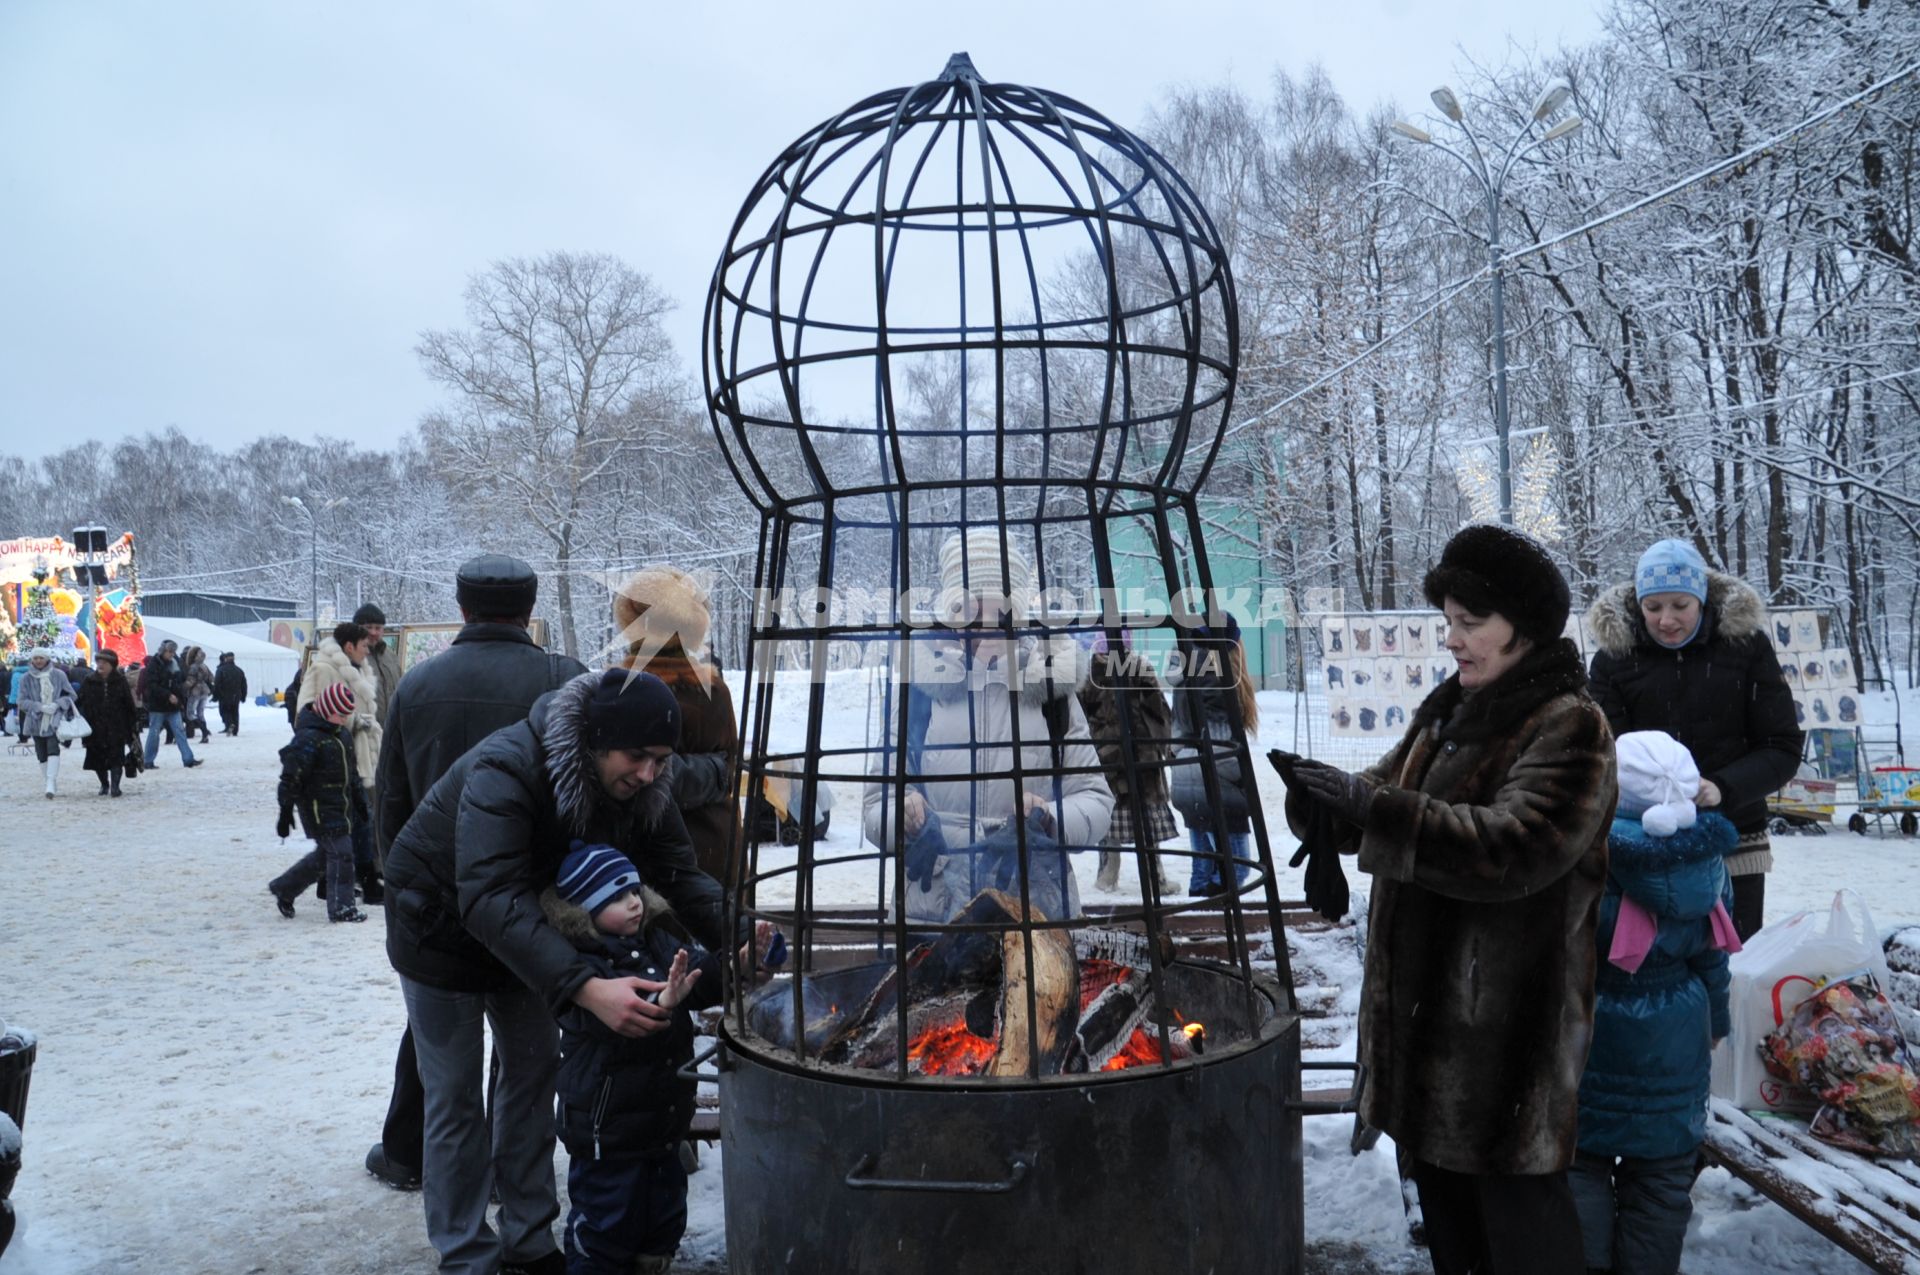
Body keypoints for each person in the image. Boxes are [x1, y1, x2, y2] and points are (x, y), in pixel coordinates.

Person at [1276, 523, 1618, 1275]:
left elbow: (1517, 844)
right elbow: (1390, 789)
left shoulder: (1571, 723)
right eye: (1448, 622)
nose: (1454, 640)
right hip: (1428, 1034)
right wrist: (1324, 800)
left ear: (1522, 628)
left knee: (1524, 1242)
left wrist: (1375, 810)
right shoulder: (1451, 711)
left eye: (1472, 624)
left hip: (1506, 1045)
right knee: (1455, 1241)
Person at [381, 668, 732, 1275]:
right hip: (437, 930)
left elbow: (678, 873)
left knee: (531, 1078)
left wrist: (741, 931)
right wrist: (586, 986)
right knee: (456, 1097)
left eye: (662, 759)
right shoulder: (509, 767)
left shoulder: (643, 786)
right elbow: (487, 894)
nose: (650, 773)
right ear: (596, 740)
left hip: (530, 932)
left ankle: (529, 1237)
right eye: (638, 756)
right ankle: (467, 1253)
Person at [364, 556, 588, 1197]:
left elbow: (393, 809)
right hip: (535, 916)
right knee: (526, 1075)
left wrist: (403, 902)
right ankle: (516, 1205)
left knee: (445, 1077)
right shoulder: (566, 681)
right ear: (529, 609)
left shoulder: (417, 684)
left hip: (436, 913)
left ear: (462, 609)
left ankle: (440, 1195)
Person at [542, 842, 773, 1275]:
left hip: (663, 1116)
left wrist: (737, 965)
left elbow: (697, 979)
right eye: (613, 897)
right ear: (583, 910)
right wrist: (663, 999)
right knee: (607, 1221)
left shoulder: (654, 939)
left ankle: (651, 1258)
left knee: (663, 1208)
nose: (632, 903)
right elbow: (601, 1022)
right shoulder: (578, 963)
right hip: (606, 1128)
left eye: (633, 891)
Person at [861, 529, 1113, 923]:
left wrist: (1049, 816)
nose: (987, 623)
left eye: (1000, 610)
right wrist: (905, 815)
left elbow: (1096, 801)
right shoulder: (921, 692)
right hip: (934, 910)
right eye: (972, 609)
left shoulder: (1050, 690)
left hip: (1034, 910)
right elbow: (877, 806)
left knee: (1036, 987)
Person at [1569, 730, 1740, 1275]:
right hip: (1676, 1041)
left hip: (1591, 1033)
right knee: (1663, 1183)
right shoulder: (1709, 864)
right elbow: (1714, 959)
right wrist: (1715, 1021)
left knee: (1581, 1167)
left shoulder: (1587, 856)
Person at [1587, 538, 1803, 940]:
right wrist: (1651, 791)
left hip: (1735, 839)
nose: (1666, 619)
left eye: (1679, 606)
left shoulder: (1746, 648)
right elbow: (1606, 753)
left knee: (1731, 963)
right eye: (1653, 607)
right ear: (1638, 605)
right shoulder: (1614, 660)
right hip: (1644, 842)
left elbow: (1782, 746)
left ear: (1701, 600)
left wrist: (1723, 787)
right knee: (1649, 976)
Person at [612, 566, 740, 886]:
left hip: (646, 854)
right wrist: (714, 772)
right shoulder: (714, 692)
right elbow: (731, 769)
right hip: (716, 848)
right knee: (722, 933)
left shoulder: (617, 693)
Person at [1077, 634, 1179, 893]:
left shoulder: (1090, 673)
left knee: (1110, 813)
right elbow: (1158, 710)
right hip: (1140, 754)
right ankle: (1154, 877)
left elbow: (1079, 716)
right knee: (1145, 818)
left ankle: (1108, 874)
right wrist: (1163, 744)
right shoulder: (1137, 668)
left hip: (1106, 754)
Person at [1168, 618, 1260, 896]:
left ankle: (1201, 922)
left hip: (1186, 769)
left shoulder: (1189, 671)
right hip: (1217, 771)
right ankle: (1222, 926)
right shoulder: (1216, 674)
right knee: (1238, 867)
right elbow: (1218, 729)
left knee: (1203, 870)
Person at [268, 682, 371, 924]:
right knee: (343, 853)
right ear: (326, 710)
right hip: (317, 809)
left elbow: (352, 774)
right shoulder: (307, 739)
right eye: (341, 714)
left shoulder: (342, 735)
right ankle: (342, 908)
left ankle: (285, 888)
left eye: (347, 714)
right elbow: (290, 778)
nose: (345, 719)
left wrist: (359, 802)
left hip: (341, 807)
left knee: (326, 856)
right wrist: (285, 812)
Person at [298, 622, 383, 902]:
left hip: (358, 755)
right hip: (336, 759)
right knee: (349, 825)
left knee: (356, 821)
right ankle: (360, 881)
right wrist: (354, 721)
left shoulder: (360, 671)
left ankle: (334, 880)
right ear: (349, 647)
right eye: (363, 646)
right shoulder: (324, 669)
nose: (367, 651)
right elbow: (309, 711)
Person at [76, 648, 139, 797]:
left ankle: (115, 787)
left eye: (104, 662)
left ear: (112, 664)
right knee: (97, 759)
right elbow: (81, 701)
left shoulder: (120, 680)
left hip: (116, 726)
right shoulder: (89, 680)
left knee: (116, 757)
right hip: (94, 727)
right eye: (99, 662)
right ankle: (104, 784)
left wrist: (133, 724)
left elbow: (128, 704)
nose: (101, 665)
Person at [17, 648, 77, 798]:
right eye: (35, 658)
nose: (38, 661)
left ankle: (50, 782)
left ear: (47, 659)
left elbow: (71, 695)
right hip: (36, 719)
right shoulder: (26, 678)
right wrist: (39, 706)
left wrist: (57, 704)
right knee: (41, 752)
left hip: (54, 719)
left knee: (52, 747)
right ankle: (49, 782)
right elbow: (21, 701)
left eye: (41, 658)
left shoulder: (59, 675)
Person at [142, 639, 200, 769]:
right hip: (158, 705)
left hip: (173, 705)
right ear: (163, 650)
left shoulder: (175, 663)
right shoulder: (154, 664)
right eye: (169, 651)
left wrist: (181, 694)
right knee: (154, 733)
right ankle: (148, 760)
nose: (172, 654)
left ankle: (188, 759)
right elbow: (152, 685)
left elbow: (178, 682)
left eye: (173, 651)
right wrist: (168, 695)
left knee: (179, 731)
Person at [354, 604, 403, 727]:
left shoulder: (391, 657)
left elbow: (401, 689)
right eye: (368, 627)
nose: (373, 632)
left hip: (391, 732)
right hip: (363, 733)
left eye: (378, 628)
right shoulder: (350, 656)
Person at [179, 645, 215, 744]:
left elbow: (191, 680)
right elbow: (212, 678)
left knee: (190, 714)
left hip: (195, 691)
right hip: (205, 691)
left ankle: (204, 731)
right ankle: (205, 734)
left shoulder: (193, 666)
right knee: (200, 713)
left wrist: (183, 688)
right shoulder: (204, 665)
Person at [212, 652, 248, 736]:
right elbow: (244, 684)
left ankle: (229, 724)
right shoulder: (239, 670)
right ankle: (235, 731)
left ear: (225, 659)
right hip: (236, 695)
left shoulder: (221, 670)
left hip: (224, 695)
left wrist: (215, 695)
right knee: (235, 712)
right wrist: (243, 696)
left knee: (224, 711)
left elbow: (217, 683)